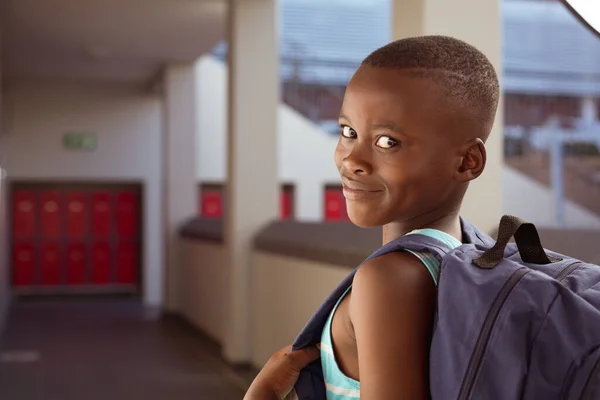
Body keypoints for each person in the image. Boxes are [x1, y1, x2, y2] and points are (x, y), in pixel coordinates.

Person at [245, 35, 500, 399]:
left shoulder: (388, 280)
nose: (352, 161)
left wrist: (263, 394)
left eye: (387, 142)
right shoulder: (476, 252)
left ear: (467, 162)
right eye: (348, 132)